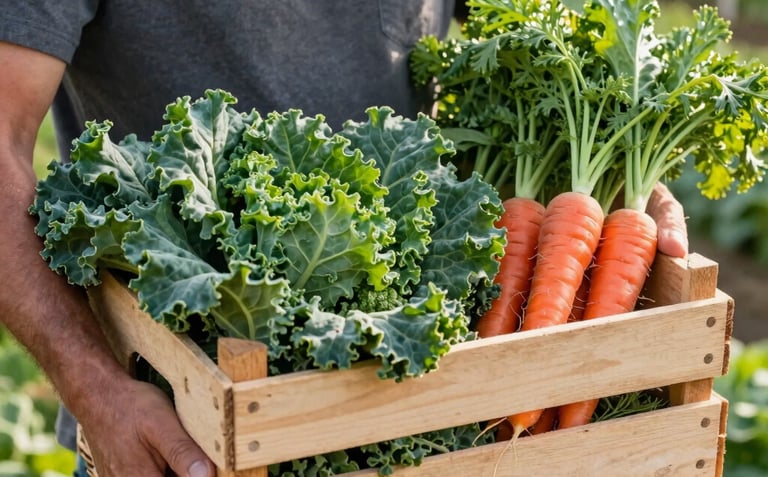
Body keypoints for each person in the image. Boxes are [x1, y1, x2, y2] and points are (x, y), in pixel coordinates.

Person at [0, 2, 688, 476]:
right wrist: (98, 391)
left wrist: (611, 177)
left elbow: (522, 43)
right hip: (187, 439)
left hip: (434, 420)